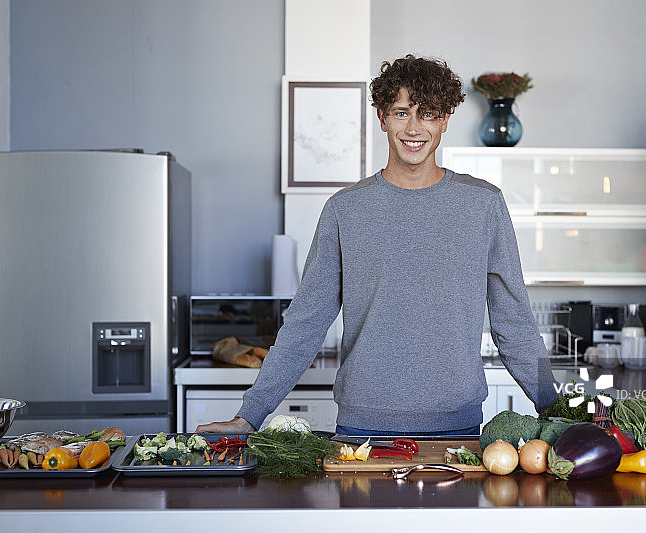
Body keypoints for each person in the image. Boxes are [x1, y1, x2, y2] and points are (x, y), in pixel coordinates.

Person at [196, 55, 558, 437]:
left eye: (429, 114)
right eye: (402, 113)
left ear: (446, 120)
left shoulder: (483, 204)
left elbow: (513, 322)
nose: (414, 128)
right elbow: (306, 322)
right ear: (383, 119)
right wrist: (250, 415)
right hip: (361, 430)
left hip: (458, 431)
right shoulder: (345, 209)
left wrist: (556, 410)